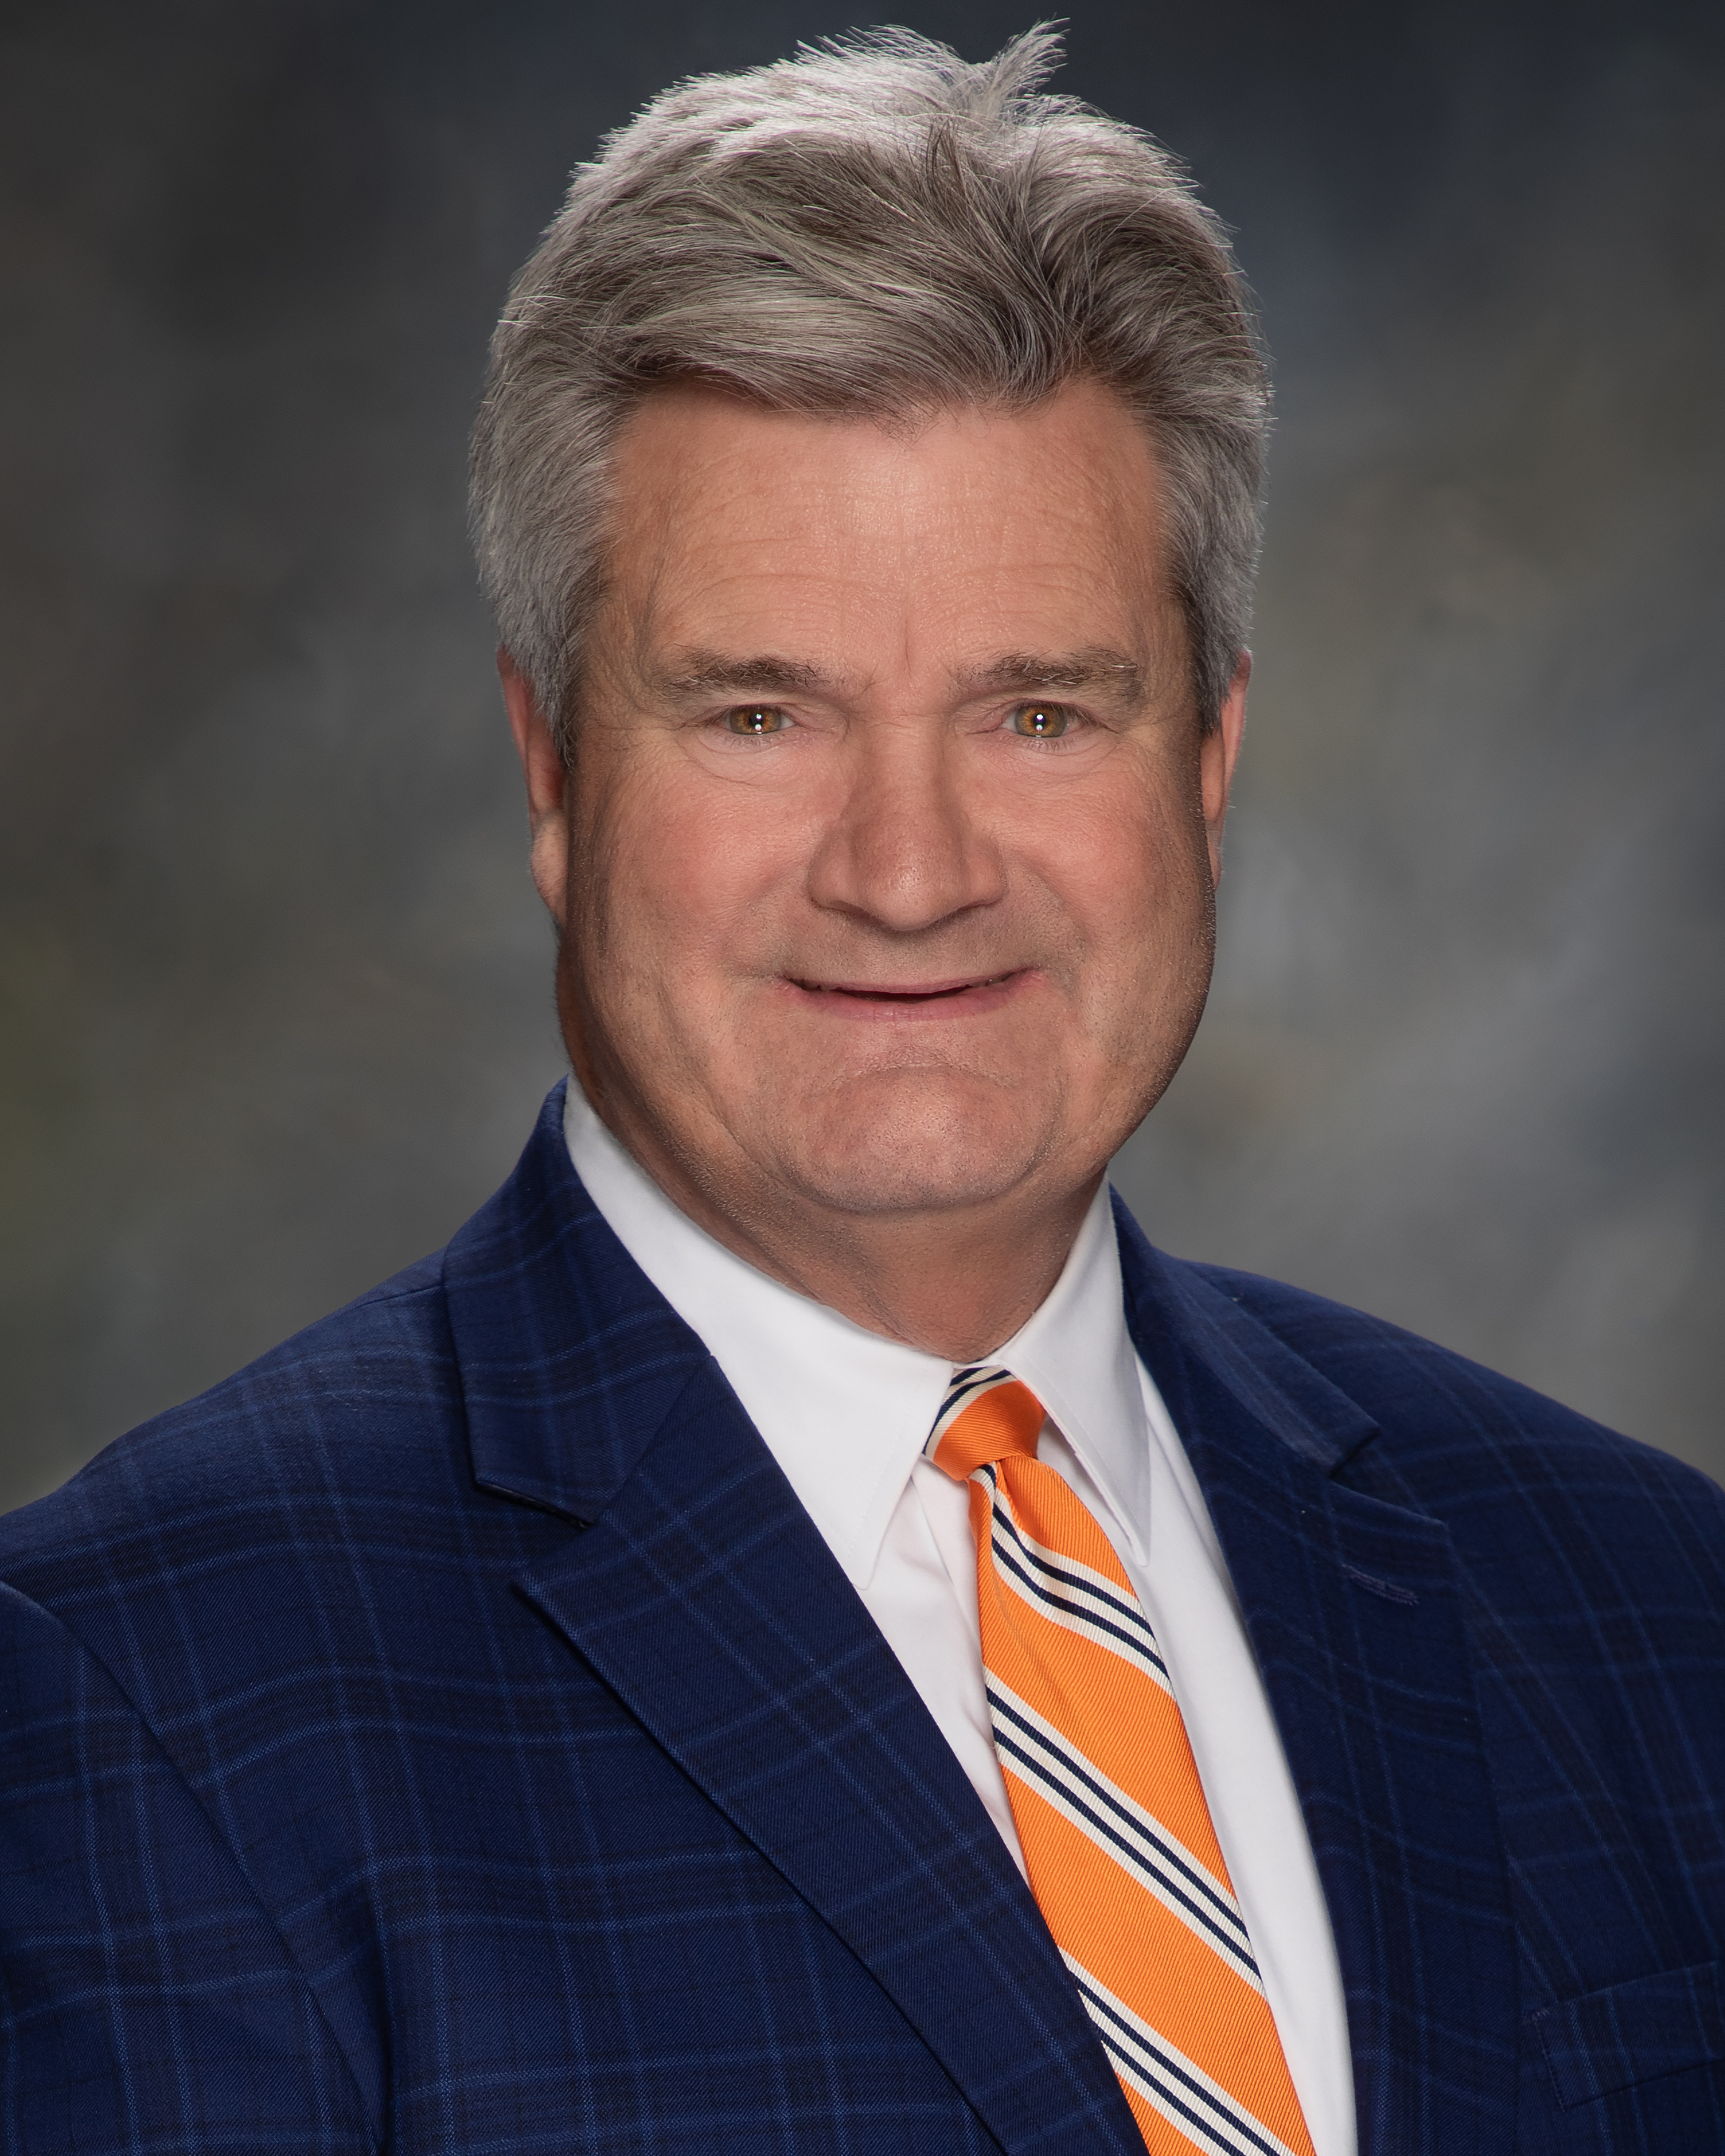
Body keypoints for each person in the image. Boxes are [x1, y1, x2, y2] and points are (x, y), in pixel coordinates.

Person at [3, 27, 1721, 2156]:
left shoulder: (1643, 1604)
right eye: (761, 714)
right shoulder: (138, 1698)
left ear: (1206, 761)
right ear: (553, 769)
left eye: (1038, 713)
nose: (909, 875)